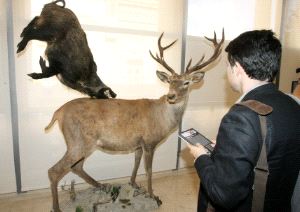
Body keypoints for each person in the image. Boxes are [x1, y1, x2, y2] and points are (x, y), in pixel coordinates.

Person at [187, 30, 300, 212]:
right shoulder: (292, 104)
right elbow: (268, 154)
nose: (227, 72)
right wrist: (225, 148)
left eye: (227, 65)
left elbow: (223, 194)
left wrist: (201, 158)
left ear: (237, 68)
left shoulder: (240, 117)